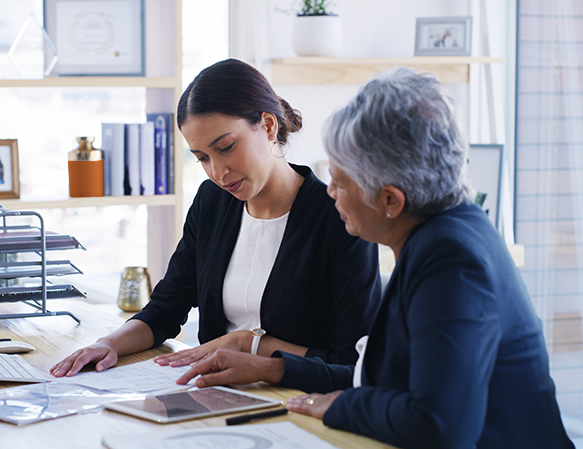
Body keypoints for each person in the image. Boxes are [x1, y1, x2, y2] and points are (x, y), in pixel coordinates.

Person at [175, 67, 574, 449]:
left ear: (390, 200)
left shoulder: (451, 261)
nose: (330, 192)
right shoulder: (441, 235)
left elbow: (439, 424)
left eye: (341, 181)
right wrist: (277, 368)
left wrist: (339, 405)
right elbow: (395, 382)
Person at [51, 58, 382, 378]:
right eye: (202, 158)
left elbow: (351, 363)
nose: (218, 173)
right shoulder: (212, 203)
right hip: (212, 392)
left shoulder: (340, 218)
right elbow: (168, 306)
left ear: (268, 125)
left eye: (225, 148)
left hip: (297, 400)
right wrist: (109, 344)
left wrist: (248, 344)